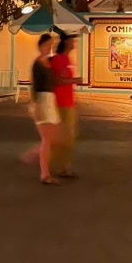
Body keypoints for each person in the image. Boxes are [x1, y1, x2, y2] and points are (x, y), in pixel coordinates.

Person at [22, 33, 63, 185]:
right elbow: (35, 87)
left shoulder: (49, 63)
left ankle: (34, 153)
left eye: (51, 45)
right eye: (46, 45)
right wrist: (35, 105)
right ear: (40, 46)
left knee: (55, 138)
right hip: (42, 100)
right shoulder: (38, 64)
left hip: (50, 99)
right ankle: (45, 174)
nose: (49, 48)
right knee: (47, 140)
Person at [49, 31, 83, 179]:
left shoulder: (67, 59)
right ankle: (57, 166)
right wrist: (74, 80)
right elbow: (57, 81)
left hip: (68, 102)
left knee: (69, 136)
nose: (74, 43)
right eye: (72, 40)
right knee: (64, 136)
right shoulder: (58, 59)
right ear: (66, 42)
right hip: (61, 102)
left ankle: (62, 166)